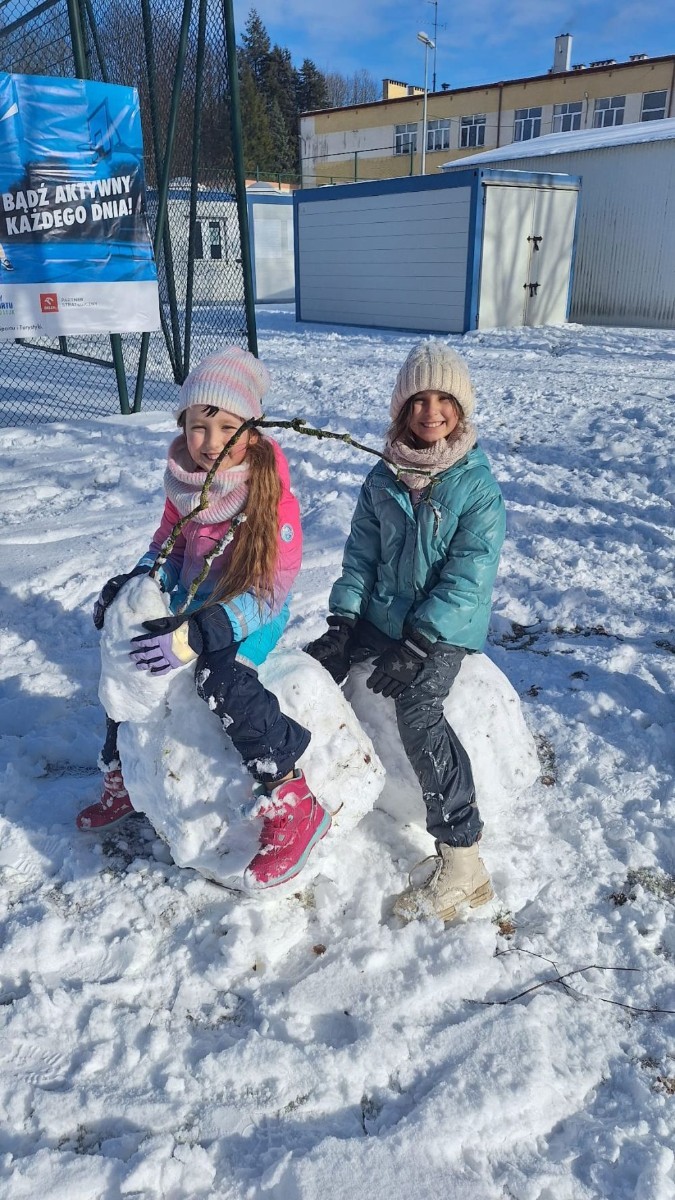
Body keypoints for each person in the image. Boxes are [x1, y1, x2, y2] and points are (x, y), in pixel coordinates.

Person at [77, 347, 331, 890]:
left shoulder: (270, 496)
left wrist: (202, 633)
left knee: (221, 678)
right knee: (128, 651)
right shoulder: (184, 478)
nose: (211, 442)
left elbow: (271, 586)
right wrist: (135, 586)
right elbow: (165, 544)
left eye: (227, 426)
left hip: (249, 609)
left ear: (254, 431)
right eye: (198, 425)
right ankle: (119, 775)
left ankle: (292, 795)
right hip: (195, 598)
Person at [306, 339, 506, 925]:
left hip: (442, 629)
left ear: (461, 410)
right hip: (381, 616)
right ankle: (312, 808)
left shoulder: (476, 489)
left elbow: (467, 580)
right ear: (402, 410)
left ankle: (464, 860)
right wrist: (343, 623)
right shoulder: (382, 477)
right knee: (313, 673)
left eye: (445, 399)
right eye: (419, 399)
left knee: (418, 711)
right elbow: (360, 556)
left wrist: (419, 643)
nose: (431, 411)